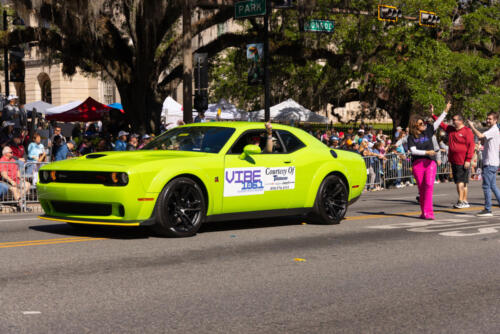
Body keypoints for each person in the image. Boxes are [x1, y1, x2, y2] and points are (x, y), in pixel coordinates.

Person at [408, 102, 450, 219]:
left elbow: (438, 121)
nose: (423, 125)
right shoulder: (411, 137)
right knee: (422, 189)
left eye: (423, 123)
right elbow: (413, 151)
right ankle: (424, 212)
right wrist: (426, 152)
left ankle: (429, 213)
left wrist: (445, 110)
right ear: (415, 125)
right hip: (418, 164)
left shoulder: (429, 131)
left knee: (428, 185)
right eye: (421, 123)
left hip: (430, 162)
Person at [433, 107, 475, 208]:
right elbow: (441, 124)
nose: (453, 121)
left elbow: (471, 146)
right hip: (454, 160)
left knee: (460, 181)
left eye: (455, 120)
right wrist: (433, 114)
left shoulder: (467, 131)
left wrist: (468, 160)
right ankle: (465, 201)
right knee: (463, 182)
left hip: (463, 161)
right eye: (453, 120)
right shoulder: (451, 129)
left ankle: (460, 201)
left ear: (461, 121)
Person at [467, 113, 500, 216]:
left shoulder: (493, 130)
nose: (487, 120)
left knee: (486, 186)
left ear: (495, 120)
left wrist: (472, 126)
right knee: (493, 186)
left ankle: (487, 209)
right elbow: (482, 139)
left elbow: (480, 135)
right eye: (487, 118)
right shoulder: (492, 130)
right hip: (492, 162)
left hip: (490, 163)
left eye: (490, 119)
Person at [0, 146, 31, 211]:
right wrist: (11, 181)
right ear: (6, 154)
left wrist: (21, 178)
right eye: (11, 152)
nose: (12, 153)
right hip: (6, 181)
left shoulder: (13, 160)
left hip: (15, 180)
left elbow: (17, 171)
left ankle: (18, 200)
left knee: (27, 184)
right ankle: (22, 205)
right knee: (14, 189)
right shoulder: (2, 161)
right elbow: (4, 175)